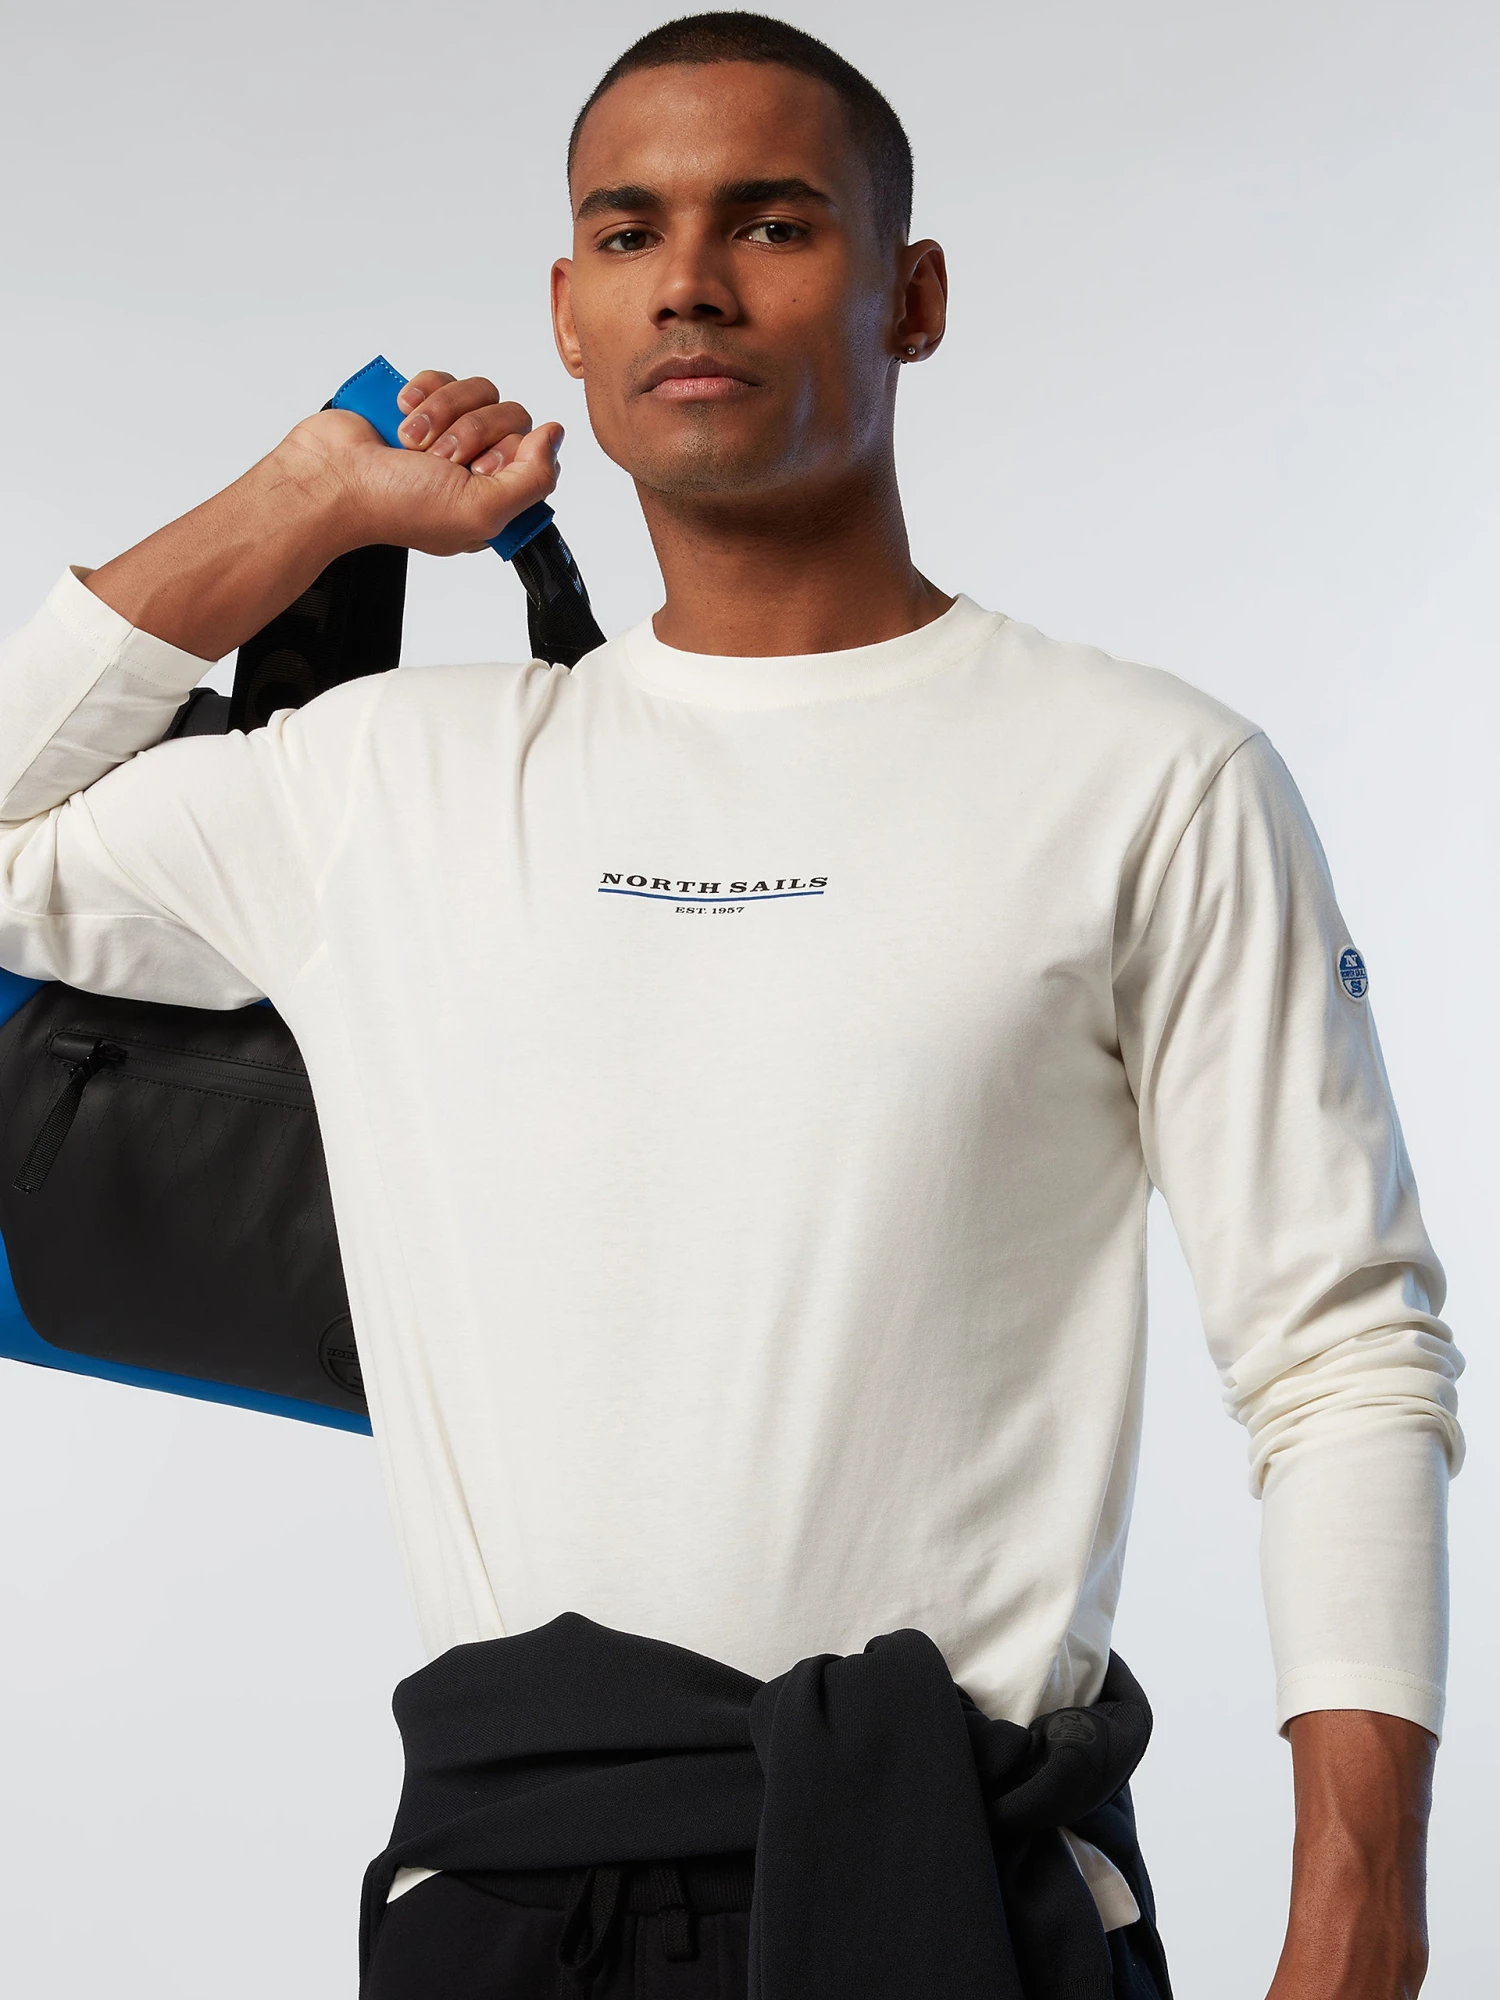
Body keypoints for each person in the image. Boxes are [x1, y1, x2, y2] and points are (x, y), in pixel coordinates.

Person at [0, 12, 1461, 1999]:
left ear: (911, 296)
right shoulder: (388, 785)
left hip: (967, 1894)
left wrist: (1360, 1927)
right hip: (506, 1907)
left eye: (772, 223)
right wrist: (310, 500)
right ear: (569, 313)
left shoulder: (1147, 779)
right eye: (630, 233)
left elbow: (1342, 1353)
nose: (689, 280)